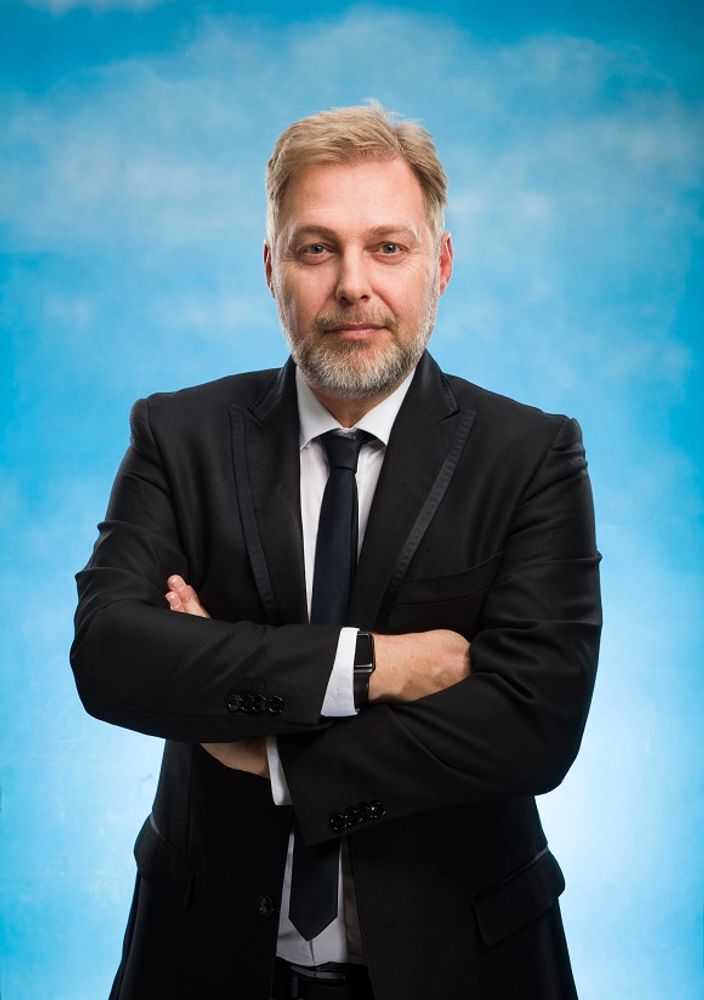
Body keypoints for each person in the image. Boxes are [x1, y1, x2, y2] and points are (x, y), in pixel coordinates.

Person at [71, 102, 602, 1000]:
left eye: (387, 247)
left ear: (440, 265)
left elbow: (534, 725)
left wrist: (269, 753)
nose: (353, 284)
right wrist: (375, 666)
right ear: (270, 269)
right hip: (200, 958)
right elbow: (112, 656)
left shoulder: (532, 455)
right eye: (317, 249)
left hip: (463, 964)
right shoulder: (178, 435)